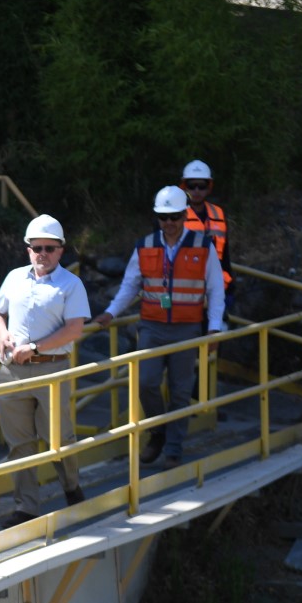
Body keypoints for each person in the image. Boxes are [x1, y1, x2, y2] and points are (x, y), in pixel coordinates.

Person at [92, 186, 226, 467]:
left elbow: (216, 290)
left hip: (187, 328)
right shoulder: (145, 245)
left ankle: (173, 448)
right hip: (152, 326)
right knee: (146, 382)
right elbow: (130, 285)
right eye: (163, 217)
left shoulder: (203, 246)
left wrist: (214, 328)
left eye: (174, 217)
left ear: (184, 215)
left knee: (180, 390)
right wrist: (111, 313)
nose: (169, 223)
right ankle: (158, 433)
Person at [0, 214, 90, 524]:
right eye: (37, 248)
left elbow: (74, 329)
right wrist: (2, 334)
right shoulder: (15, 277)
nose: (42, 254)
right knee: (19, 443)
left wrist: (34, 348)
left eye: (49, 248)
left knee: (59, 437)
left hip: (52, 368)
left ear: (61, 251)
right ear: (28, 249)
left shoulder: (70, 284)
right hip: (13, 370)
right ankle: (26, 507)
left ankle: (71, 487)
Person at [180, 159, 232, 288]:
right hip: (186, 289)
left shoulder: (218, 213)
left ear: (209, 187)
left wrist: (230, 287)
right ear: (184, 187)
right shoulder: (173, 215)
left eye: (201, 186)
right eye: (192, 185)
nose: (196, 190)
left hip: (217, 287)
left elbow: (225, 255)